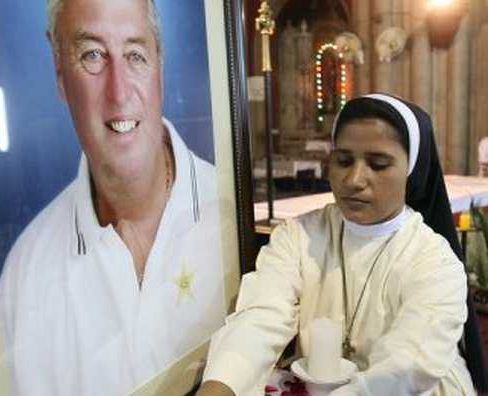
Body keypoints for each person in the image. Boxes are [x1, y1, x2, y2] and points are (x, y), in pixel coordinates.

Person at [0, 0, 227, 394]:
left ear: (160, 67)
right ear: (59, 74)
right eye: (92, 55)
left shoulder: (231, 216)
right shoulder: (26, 271)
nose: (119, 92)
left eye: (135, 55)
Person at [198, 94, 487, 395]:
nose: (354, 179)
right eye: (343, 160)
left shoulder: (434, 260)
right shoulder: (298, 236)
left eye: (378, 164)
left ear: (410, 172)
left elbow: (410, 361)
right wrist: (220, 386)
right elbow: (260, 316)